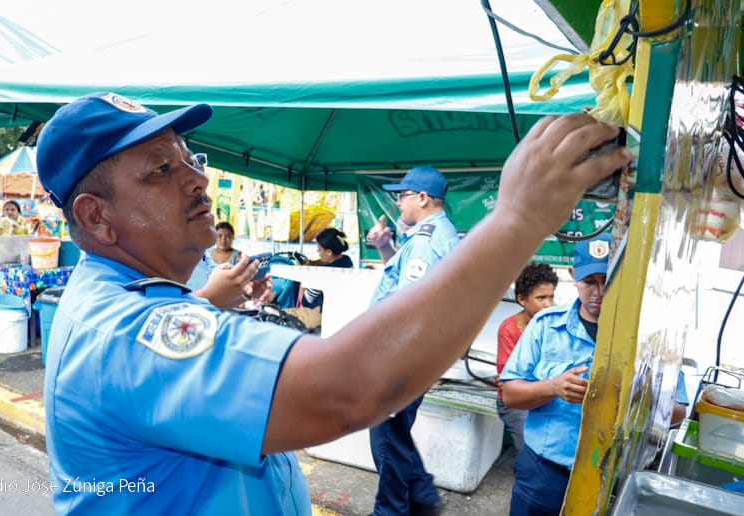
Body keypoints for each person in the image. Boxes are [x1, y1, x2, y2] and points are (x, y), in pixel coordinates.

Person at [35, 91, 632, 514]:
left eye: (190, 158)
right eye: (161, 170)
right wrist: (519, 219)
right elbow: (346, 389)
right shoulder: (126, 331)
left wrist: (217, 310)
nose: (196, 179)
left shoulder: (137, 297)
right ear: (96, 217)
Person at [366, 165, 459, 515]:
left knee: (387, 438)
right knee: (396, 435)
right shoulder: (434, 234)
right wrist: (384, 246)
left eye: (402, 196)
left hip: (401, 358)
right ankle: (422, 499)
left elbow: (407, 309)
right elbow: (405, 280)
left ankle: (393, 509)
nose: (398, 203)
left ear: (422, 198)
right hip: (416, 355)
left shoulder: (425, 240)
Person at [500, 234, 611, 515]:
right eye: (589, 282)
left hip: (607, 476)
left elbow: (677, 411)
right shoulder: (545, 326)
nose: (598, 291)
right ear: (573, 276)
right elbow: (510, 394)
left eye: (607, 281)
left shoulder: (641, 334)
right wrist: (553, 387)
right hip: (544, 471)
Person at [496, 262, 558, 452]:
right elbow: (508, 382)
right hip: (517, 401)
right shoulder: (509, 330)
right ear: (522, 299)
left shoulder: (554, 323)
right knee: (531, 449)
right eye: (541, 298)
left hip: (546, 394)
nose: (548, 304)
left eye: (551, 297)